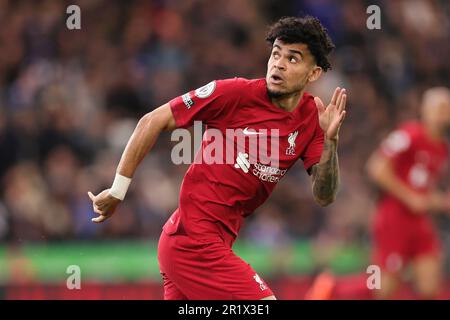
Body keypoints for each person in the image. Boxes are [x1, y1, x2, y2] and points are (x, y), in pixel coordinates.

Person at [88, 16, 347, 300]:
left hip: (208, 243)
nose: (279, 64)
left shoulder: (313, 117)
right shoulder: (235, 93)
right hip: (193, 242)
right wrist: (117, 189)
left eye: (293, 59)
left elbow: (324, 195)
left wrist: (330, 143)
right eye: (276, 54)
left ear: (314, 74)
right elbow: (152, 121)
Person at [366, 87, 450, 299]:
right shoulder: (409, 134)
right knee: (384, 290)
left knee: (430, 286)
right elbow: (376, 167)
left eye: (447, 109)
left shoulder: (442, 148)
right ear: (425, 110)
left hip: (419, 221)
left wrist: (440, 202)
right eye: (440, 107)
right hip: (394, 216)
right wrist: (409, 197)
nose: (444, 113)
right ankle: (333, 288)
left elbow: (423, 191)